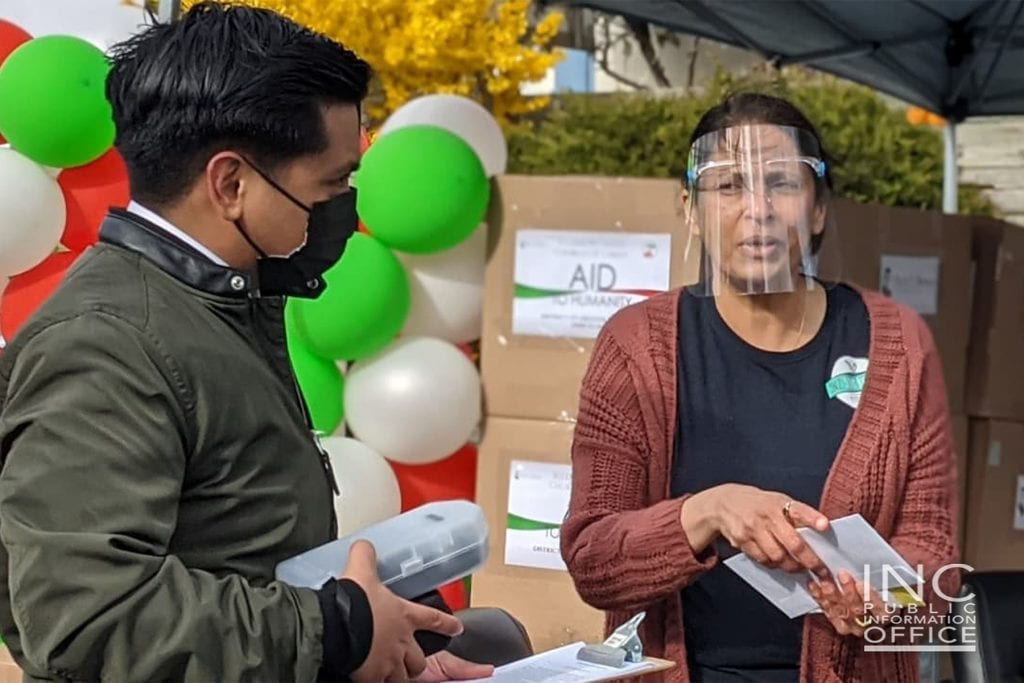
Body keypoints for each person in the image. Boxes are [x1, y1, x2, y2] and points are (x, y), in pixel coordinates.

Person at [0, 4, 493, 682]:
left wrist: (388, 628)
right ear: (231, 184)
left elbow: (240, 549)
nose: (346, 210)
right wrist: (339, 628)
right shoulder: (107, 342)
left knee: (494, 636)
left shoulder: (220, 305)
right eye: (333, 184)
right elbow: (88, 616)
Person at [560, 93, 959, 682]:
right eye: (728, 186)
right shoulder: (636, 346)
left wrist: (883, 607)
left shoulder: (897, 344)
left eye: (782, 183)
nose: (759, 208)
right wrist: (706, 513)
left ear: (819, 209)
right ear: (691, 210)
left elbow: (934, 570)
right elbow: (594, 562)